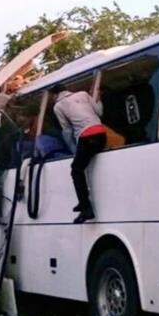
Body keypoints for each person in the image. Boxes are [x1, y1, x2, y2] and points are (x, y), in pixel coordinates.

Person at [50, 84, 106, 223]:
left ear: (54, 94)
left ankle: (85, 207)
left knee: (76, 170)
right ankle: (86, 202)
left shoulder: (58, 106)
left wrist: (73, 150)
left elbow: (67, 130)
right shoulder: (83, 94)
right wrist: (98, 99)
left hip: (86, 137)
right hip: (101, 134)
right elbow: (99, 112)